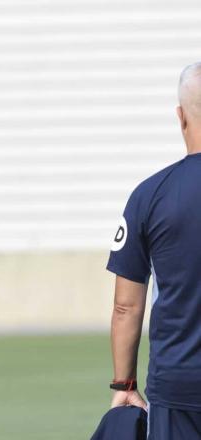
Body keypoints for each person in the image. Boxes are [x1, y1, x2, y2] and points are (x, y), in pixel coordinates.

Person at [107, 63, 201, 438]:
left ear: (180, 117)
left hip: (178, 385)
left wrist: (123, 384)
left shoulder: (150, 195)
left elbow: (126, 306)